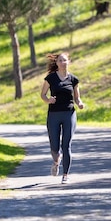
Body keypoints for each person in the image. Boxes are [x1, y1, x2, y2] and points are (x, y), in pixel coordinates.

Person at [40, 52, 84, 184]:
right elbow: (43, 94)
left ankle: (65, 175)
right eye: (60, 60)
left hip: (69, 114)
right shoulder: (51, 78)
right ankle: (56, 161)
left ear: (68, 62)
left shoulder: (73, 79)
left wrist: (80, 103)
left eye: (64, 60)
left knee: (66, 145)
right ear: (57, 63)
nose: (62, 62)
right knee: (54, 146)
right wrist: (48, 100)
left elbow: (77, 97)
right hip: (53, 114)